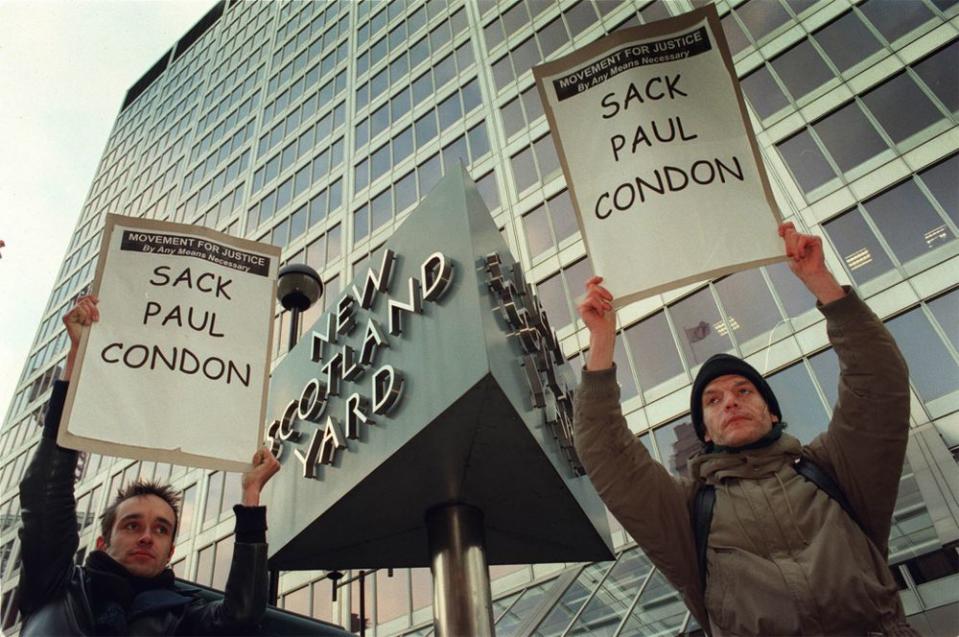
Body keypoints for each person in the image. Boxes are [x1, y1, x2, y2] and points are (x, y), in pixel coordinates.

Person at [573, 223, 918, 635]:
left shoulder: (834, 469)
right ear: (705, 433)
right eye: (713, 401)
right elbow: (607, 454)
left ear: (772, 413)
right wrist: (602, 341)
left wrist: (819, 281)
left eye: (743, 391)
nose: (731, 401)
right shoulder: (687, 512)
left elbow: (878, 384)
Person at [18, 294, 281, 636]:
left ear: (170, 552)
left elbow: (241, 615)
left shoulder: (183, 618)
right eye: (131, 525)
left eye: (160, 529)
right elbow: (44, 500)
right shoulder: (56, 586)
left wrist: (251, 493)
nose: (146, 537)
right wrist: (77, 359)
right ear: (102, 543)